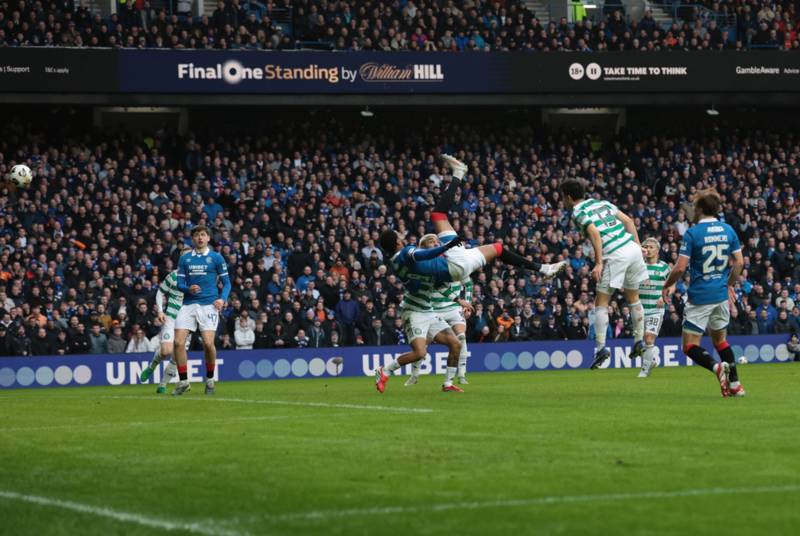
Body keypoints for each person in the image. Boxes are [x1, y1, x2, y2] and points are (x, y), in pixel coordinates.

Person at [375, 155, 565, 393]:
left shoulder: (401, 264)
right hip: (452, 265)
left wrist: (456, 296)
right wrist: (446, 246)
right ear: (397, 241)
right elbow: (421, 255)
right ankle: (458, 173)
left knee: (497, 249)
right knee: (438, 216)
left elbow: (428, 276)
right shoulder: (406, 253)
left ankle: (544, 269)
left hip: (452, 274)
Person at [662, 189, 745, 397]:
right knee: (720, 341)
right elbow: (740, 263)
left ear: (699, 209)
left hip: (700, 295)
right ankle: (736, 385)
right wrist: (728, 284)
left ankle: (716, 368)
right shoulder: (728, 230)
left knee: (689, 345)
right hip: (720, 295)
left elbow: (680, 268)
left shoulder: (692, 233)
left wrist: (667, 284)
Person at [561, 178, 647, 369]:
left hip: (615, 254)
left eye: (562, 198)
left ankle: (601, 349)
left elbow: (594, 233)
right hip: (632, 248)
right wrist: (638, 247)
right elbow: (629, 221)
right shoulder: (601, 202)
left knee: (601, 303)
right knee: (633, 297)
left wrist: (599, 262)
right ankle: (639, 340)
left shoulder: (577, 212)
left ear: (567, 197)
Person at [405, 233, 474, 386]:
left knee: (461, 337)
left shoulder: (455, 261)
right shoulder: (427, 264)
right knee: (423, 344)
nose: (436, 244)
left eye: (437, 241)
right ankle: (414, 374)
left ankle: (461, 374)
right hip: (434, 308)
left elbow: (468, 284)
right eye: (432, 242)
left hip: (453, 307)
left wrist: (466, 303)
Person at [173, 226, 231, 396]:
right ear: (193, 239)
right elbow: (180, 284)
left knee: (208, 343)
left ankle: (210, 379)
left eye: (203, 235)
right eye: (197, 235)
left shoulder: (216, 257)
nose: (200, 238)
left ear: (208, 239)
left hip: (209, 305)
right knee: (178, 342)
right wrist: (188, 289)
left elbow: (227, 282)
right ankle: (183, 381)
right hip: (189, 304)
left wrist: (222, 298)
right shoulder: (185, 259)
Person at [139, 259, 191, 393]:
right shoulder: (173, 276)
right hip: (171, 318)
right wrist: (161, 311)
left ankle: (162, 384)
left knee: (176, 356)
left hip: (187, 322)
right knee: (166, 351)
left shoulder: (197, 277)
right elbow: (160, 292)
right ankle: (152, 366)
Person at [636, 238, 673, 378]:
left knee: (649, 338)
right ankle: (650, 361)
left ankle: (644, 370)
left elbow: (672, 284)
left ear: (657, 250)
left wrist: (663, 297)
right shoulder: (638, 266)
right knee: (641, 341)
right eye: (645, 246)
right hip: (639, 309)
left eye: (651, 247)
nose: (648, 249)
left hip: (655, 310)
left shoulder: (664, 267)